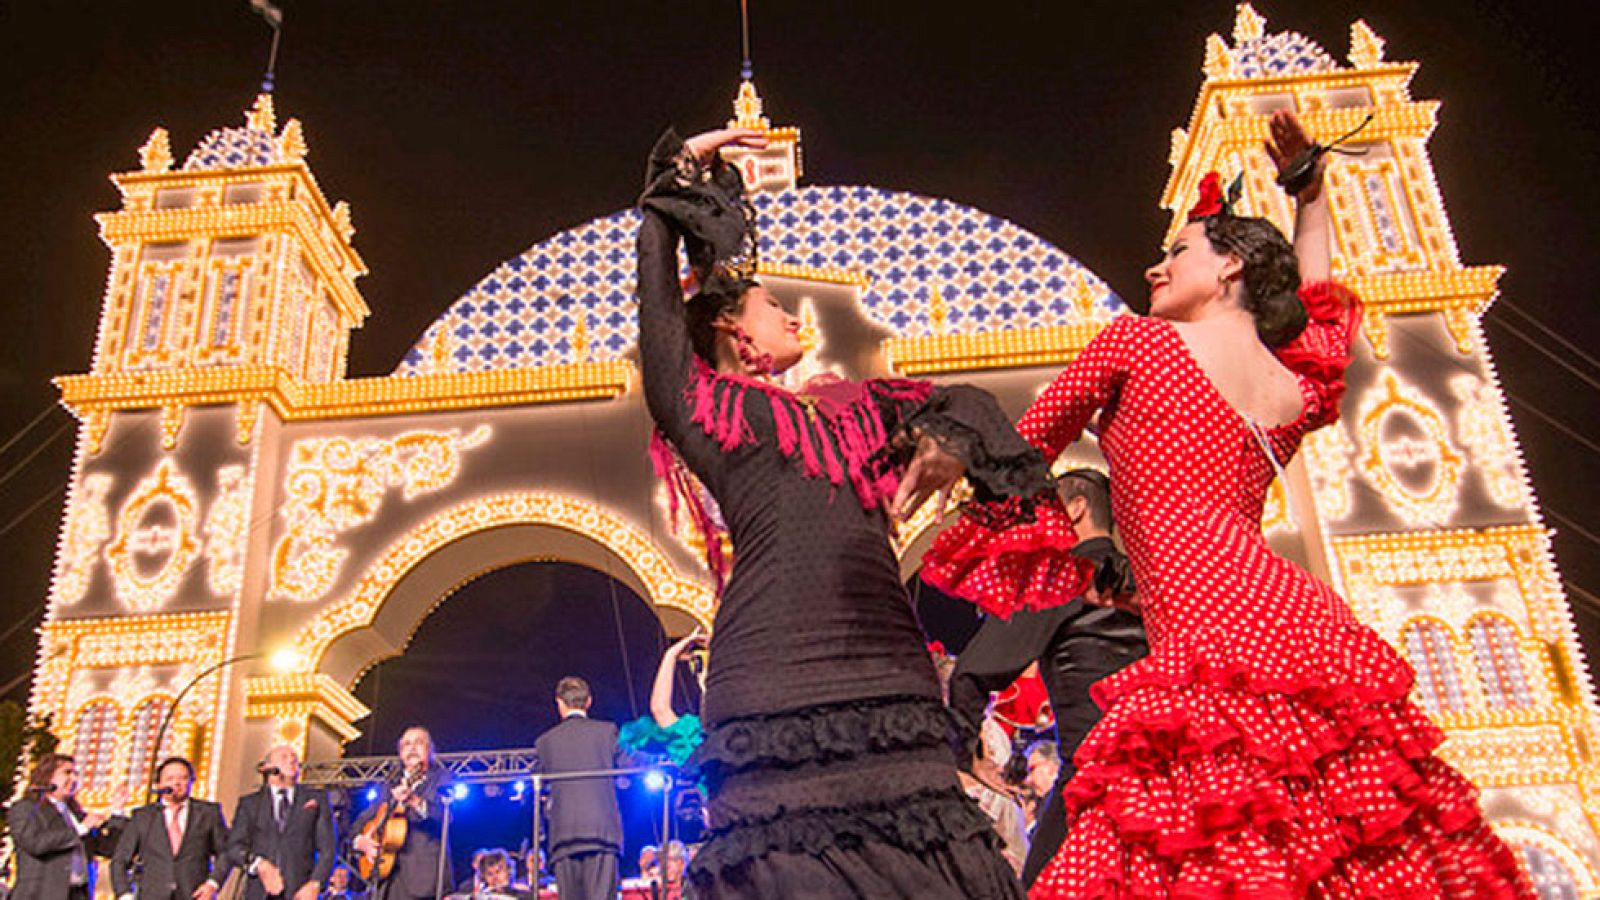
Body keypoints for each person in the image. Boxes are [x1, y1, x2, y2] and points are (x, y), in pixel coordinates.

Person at [924, 110, 1534, 896]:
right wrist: (1310, 195)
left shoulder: (1136, 344)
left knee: (1187, 851)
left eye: (1177, 252)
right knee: (1315, 840)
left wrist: (929, 458)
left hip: (1206, 646)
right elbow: (1316, 317)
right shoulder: (1290, 388)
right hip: (1295, 628)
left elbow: (1024, 446)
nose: (1155, 267)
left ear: (1231, 268)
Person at [637, 125, 1049, 899]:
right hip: (772, 673)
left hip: (886, 659)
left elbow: (967, 404)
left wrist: (946, 441)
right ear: (731, 327)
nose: (793, 317)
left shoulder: (857, 408)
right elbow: (658, 313)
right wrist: (674, 181)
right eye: (771, 306)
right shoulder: (706, 408)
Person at [942, 467, 1148, 886]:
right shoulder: (1150, 579)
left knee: (1045, 886)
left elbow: (971, 672)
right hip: (1168, 777)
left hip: (1095, 785)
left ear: (1075, 509)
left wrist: (965, 757)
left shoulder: (1056, 578)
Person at [532, 677, 623, 900]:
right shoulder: (607, 732)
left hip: (564, 837)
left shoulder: (545, 742)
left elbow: (535, 784)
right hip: (601, 834)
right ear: (589, 702)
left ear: (559, 703)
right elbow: (634, 762)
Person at [351, 728, 454, 900]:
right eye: (407, 744)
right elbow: (359, 823)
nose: (412, 748)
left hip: (424, 881)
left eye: (419, 743)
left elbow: (446, 817)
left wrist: (415, 801)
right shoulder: (388, 784)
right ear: (400, 753)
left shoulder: (443, 778)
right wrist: (360, 841)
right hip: (387, 880)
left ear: (430, 750)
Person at [6, 754, 125, 900]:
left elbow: (109, 849)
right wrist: (80, 830)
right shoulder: (27, 808)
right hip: (41, 894)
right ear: (47, 775)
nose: (74, 779)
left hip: (77, 893)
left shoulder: (76, 814)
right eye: (67, 773)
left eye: (76, 774)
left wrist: (117, 813)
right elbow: (33, 843)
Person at [111, 757, 231, 900]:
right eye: (170, 778)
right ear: (159, 784)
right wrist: (124, 894)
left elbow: (226, 852)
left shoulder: (208, 813)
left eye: (183, 778)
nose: (176, 783)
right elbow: (120, 859)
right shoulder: (144, 817)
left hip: (194, 894)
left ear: (191, 781)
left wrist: (213, 884)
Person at [228, 745, 337, 900]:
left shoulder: (315, 799)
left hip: (300, 891)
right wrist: (259, 864)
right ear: (268, 767)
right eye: (284, 757)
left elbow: (328, 848)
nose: (291, 759)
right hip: (260, 892)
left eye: (294, 757)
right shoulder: (251, 803)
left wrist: (316, 883)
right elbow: (234, 846)